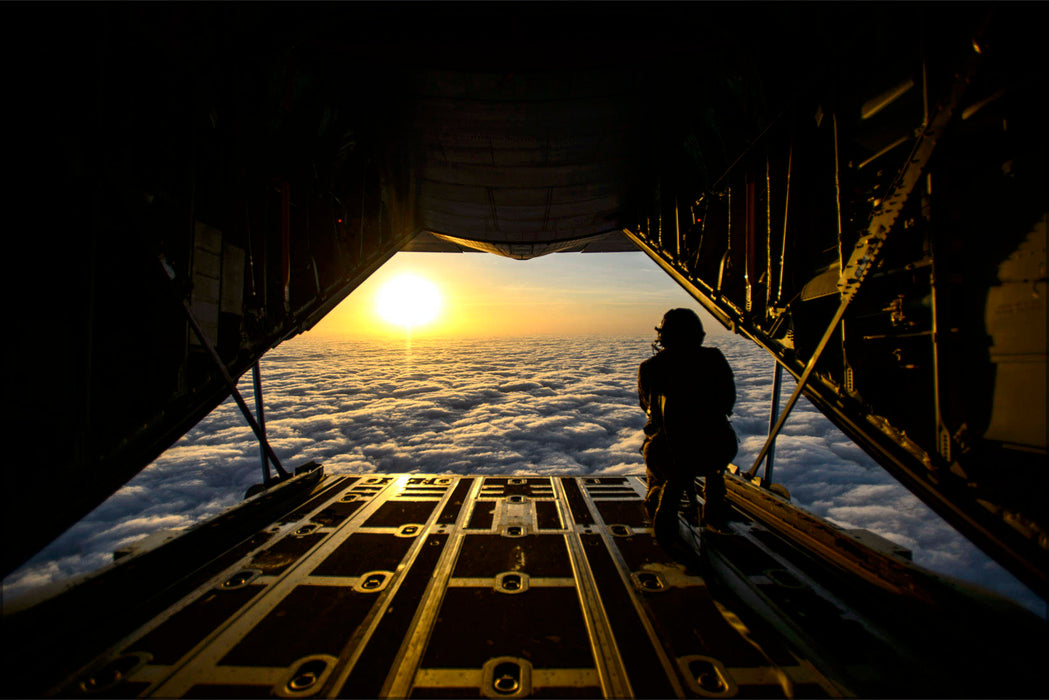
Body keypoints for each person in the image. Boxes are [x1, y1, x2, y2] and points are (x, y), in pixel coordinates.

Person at [638, 308, 737, 550]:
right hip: (717, 449)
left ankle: (657, 490)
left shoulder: (651, 367)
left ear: (664, 337)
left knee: (653, 443)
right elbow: (728, 401)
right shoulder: (715, 359)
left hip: (669, 455)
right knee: (710, 457)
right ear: (698, 335)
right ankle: (715, 499)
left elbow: (648, 409)